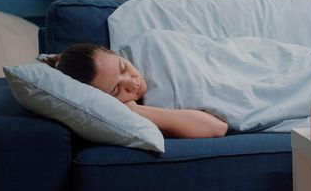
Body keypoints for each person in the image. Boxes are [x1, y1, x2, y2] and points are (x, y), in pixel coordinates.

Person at [42, 43, 228, 139]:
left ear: (113, 52)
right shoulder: (138, 110)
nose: (132, 82)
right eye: (116, 90)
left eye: (123, 68)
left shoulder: (145, 47)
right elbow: (217, 128)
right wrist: (136, 110)